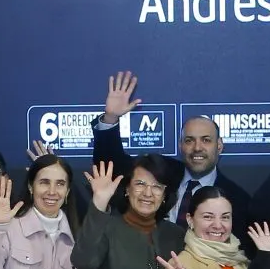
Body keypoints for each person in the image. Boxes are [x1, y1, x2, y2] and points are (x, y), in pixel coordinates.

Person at [95, 72, 252, 225]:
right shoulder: (161, 172)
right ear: (180, 145)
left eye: (206, 140)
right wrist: (110, 118)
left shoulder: (237, 200)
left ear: (219, 146)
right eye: (189, 140)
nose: (197, 147)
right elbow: (111, 169)